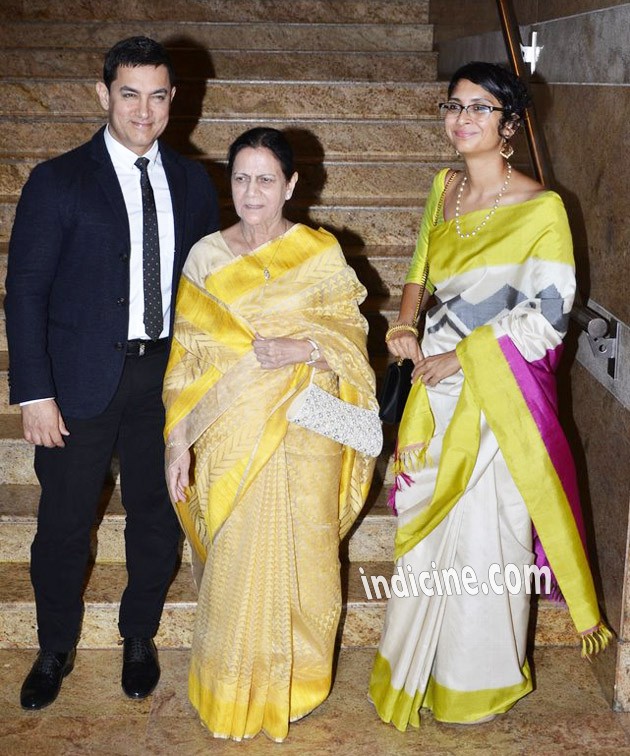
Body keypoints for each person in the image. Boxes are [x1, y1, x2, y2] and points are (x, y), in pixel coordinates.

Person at [368, 61, 610, 730]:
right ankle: (414, 665)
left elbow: (549, 315)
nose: (462, 118)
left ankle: (475, 682)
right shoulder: (442, 188)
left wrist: (463, 357)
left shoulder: (541, 208)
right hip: (433, 394)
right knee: (424, 539)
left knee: (488, 542)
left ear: (509, 124)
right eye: (454, 106)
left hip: (494, 398)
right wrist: (406, 321)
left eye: (480, 107)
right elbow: (419, 270)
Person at [5, 36, 219, 710]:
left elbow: (211, 288)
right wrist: (34, 393)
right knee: (65, 525)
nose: (144, 109)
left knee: (156, 517)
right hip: (77, 385)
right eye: (129, 93)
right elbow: (26, 293)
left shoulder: (193, 181)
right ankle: (55, 647)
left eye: (158, 95)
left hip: (164, 380)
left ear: (174, 100)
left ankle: (139, 637)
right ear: (104, 95)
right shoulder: (58, 178)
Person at [163, 126, 377, 742]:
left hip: (308, 429)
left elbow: (351, 341)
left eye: (265, 179)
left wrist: (303, 345)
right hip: (229, 433)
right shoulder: (205, 256)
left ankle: (298, 682)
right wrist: (178, 440)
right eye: (240, 178)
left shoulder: (319, 253)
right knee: (233, 557)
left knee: (306, 557)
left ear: (291, 185)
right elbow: (187, 358)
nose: (251, 191)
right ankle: (228, 686)